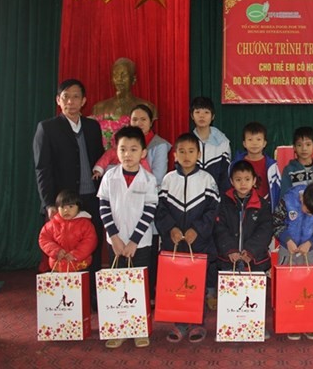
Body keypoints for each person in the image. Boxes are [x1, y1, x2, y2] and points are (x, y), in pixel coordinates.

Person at [33, 79, 104, 278]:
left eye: (75, 97)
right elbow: (42, 169)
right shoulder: (47, 128)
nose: (70, 102)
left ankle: (93, 296)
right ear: (58, 100)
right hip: (64, 202)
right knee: (65, 250)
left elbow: (99, 159)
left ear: (84, 101)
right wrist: (48, 203)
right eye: (66, 97)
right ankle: (68, 299)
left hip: (92, 197)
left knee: (92, 246)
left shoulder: (92, 127)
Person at [97, 126, 158, 349]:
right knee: (117, 285)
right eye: (123, 149)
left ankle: (140, 328)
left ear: (143, 152)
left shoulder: (149, 179)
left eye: (133, 149)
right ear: (116, 151)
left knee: (138, 286)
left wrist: (133, 241)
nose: (128, 154)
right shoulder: (109, 177)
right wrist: (114, 237)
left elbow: (149, 211)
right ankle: (119, 328)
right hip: (115, 242)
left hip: (140, 243)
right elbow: (103, 206)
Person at [155, 132, 220, 343]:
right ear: (174, 155)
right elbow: (160, 210)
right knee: (177, 284)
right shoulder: (167, 180)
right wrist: (171, 229)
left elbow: (213, 211)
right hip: (173, 242)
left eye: (191, 151)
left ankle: (198, 323)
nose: (186, 155)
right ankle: (180, 324)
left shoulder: (207, 180)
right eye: (181, 151)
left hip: (199, 242)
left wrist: (197, 230)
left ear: (199, 154)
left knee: (197, 284)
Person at [272, 182, 313, 341]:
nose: (310, 215)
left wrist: (311, 242)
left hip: (309, 251)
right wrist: (287, 240)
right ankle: (291, 324)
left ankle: (309, 323)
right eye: (307, 211)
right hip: (287, 249)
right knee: (289, 290)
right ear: (302, 199)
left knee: (309, 290)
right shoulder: (288, 200)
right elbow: (276, 222)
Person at [215, 160, 274, 272]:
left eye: (247, 179)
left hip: (255, 262)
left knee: (254, 290)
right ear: (232, 181)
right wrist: (230, 249)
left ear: (254, 180)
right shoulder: (224, 202)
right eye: (238, 180)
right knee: (229, 290)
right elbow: (219, 228)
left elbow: (265, 230)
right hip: (228, 261)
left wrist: (251, 251)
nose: (243, 183)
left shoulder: (263, 204)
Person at [92, 104, 170, 186]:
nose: (138, 123)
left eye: (143, 119)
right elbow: (107, 160)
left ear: (151, 122)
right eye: (134, 119)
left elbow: (158, 179)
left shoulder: (159, 144)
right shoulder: (122, 142)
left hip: (146, 190)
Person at [92, 57, 158, 149]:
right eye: (116, 75)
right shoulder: (99, 107)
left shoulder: (148, 107)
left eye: (124, 75)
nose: (119, 79)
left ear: (133, 79)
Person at [38, 189, 97, 272]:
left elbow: (90, 242)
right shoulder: (52, 224)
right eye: (62, 207)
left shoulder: (86, 224)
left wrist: (76, 254)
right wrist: (56, 251)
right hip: (57, 266)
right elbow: (43, 239)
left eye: (71, 206)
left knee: (82, 284)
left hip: (80, 266)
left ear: (78, 207)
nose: (66, 210)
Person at [232, 122, 281, 212]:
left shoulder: (272, 166)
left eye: (258, 139)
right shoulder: (235, 164)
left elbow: (277, 190)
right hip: (242, 208)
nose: (254, 143)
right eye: (250, 140)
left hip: (264, 208)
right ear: (244, 143)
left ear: (264, 143)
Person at [190, 96, 231, 193]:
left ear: (213, 116)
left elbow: (225, 176)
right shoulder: (187, 141)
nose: (202, 116)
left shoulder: (223, 143)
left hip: (216, 198)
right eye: (197, 112)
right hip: (191, 196)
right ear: (192, 116)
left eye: (206, 112)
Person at [280, 126, 313, 196]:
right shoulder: (289, 170)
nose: (304, 148)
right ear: (294, 147)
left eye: (308, 144)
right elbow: (285, 195)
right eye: (299, 145)